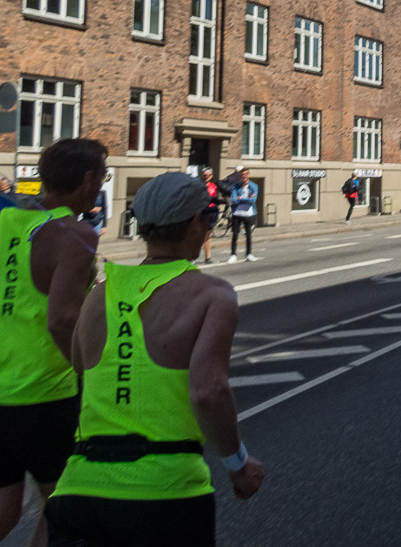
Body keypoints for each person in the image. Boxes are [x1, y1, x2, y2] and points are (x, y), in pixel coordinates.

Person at [45, 172, 264, 546]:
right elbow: (207, 392)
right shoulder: (213, 295)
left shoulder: (101, 293)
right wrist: (237, 464)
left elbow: (81, 365)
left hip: (79, 489)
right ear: (198, 222)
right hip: (165, 492)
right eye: (209, 217)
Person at [0, 139, 105, 547]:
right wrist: (93, 376)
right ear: (87, 180)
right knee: (65, 506)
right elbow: (63, 320)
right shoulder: (79, 235)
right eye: (102, 176)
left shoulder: (6, 221)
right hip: (43, 395)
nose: (101, 184)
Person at [227, 168, 257, 263]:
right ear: (240, 176)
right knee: (235, 235)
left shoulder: (253, 186)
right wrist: (247, 198)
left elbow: (253, 200)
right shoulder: (236, 186)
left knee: (248, 234)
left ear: (248, 175)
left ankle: (249, 254)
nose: (243, 176)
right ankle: (233, 255)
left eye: (245, 174)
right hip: (237, 213)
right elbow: (234, 200)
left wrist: (241, 198)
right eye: (242, 175)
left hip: (248, 213)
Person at [199, 168, 219, 265]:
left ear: (211, 176)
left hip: (209, 213)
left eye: (208, 175)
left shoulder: (213, 187)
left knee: (207, 236)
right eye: (204, 175)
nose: (206, 177)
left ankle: (208, 257)